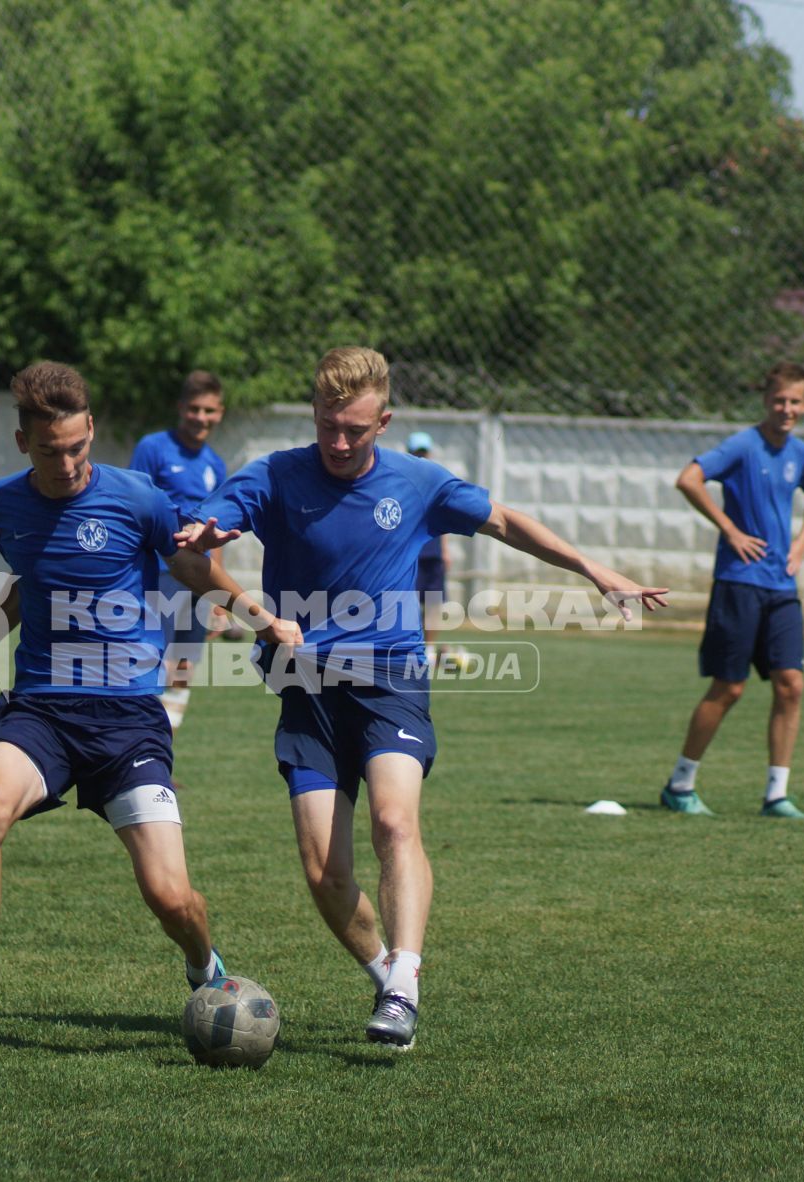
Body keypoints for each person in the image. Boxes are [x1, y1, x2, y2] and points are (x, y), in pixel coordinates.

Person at [179, 347, 668, 1049]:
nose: (339, 443)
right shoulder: (277, 475)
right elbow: (212, 527)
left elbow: (502, 520)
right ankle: (386, 979)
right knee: (324, 870)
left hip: (390, 680)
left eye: (354, 429)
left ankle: (406, 980)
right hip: (305, 690)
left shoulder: (418, 481)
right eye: (327, 427)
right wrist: (220, 553)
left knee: (394, 822)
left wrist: (592, 568)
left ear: (385, 420)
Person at [0, 361, 299, 1048]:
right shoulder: (4, 503)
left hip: (127, 719)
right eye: (50, 450)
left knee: (171, 898)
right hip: (42, 710)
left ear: (91, 428)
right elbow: (26, 584)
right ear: (23, 441)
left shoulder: (138, 497)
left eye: (77, 446)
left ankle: (204, 964)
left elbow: (191, 567)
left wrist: (264, 621)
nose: (67, 464)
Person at [659, 361, 804, 820]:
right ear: (765, 402)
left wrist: (802, 542)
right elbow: (688, 478)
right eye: (779, 400)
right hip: (739, 582)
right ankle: (680, 784)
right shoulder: (743, 445)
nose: (787, 409)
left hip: (782, 585)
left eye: (795, 401)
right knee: (729, 688)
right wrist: (730, 530)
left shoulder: (801, 453)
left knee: (791, 685)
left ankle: (777, 795)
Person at [129, 371, 232, 731]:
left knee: (186, 668)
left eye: (209, 410)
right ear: (180, 408)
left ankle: (163, 753)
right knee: (153, 664)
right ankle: (140, 755)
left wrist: (219, 595)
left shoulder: (214, 464)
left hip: (199, 580)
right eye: (194, 409)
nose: (201, 418)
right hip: (161, 574)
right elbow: (134, 510)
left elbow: (215, 531)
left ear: (220, 412)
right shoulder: (153, 448)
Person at [405, 431, 460, 671]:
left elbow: (442, 519)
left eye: (423, 452)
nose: (420, 456)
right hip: (412, 553)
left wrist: (445, 551)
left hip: (433, 552)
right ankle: (410, 648)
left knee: (435, 603)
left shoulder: (435, 481)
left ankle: (428, 649)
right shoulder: (401, 481)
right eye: (416, 452)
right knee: (408, 603)